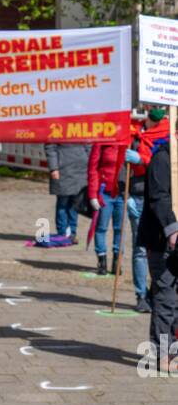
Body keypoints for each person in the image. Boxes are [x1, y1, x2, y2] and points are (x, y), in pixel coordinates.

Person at [139, 131, 178, 371]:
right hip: (163, 241)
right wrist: (172, 229)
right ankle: (160, 353)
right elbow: (159, 198)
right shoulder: (163, 159)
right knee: (166, 298)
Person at [127, 107, 169, 311]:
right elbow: (119, 162)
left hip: (161, 198)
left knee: (162, 251)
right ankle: (141, 295)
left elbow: (163, 163)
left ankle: (157, 293)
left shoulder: (168, 135)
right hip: (137, 192)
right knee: (141, 248)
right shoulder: (134, 132)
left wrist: (141, 159)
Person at [87, 137, 133, 276]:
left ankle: (116, 262)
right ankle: (102, 261)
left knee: (120, 229)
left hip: (123, 192)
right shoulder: (102, 141)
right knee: (101, 227)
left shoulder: (130, 140)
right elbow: (93, 168)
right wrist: (93, 194)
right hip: (105, 192)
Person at [45, 141, 92, 243]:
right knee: (63, 202)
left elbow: (88, 144)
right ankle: (62, 233)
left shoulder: (81, 126)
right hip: (63, 170)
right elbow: (50, 147)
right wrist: (54, 168)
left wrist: (91, 164)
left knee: (75, 204)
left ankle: (72, 233)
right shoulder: (56, 127)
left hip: (81, 170)